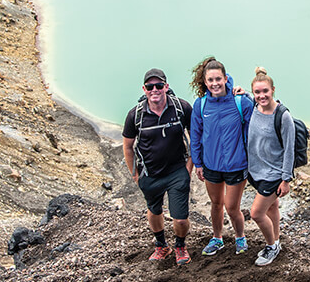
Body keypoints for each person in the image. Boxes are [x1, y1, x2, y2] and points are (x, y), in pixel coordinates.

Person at [122, 69, 193, 266]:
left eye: (159, 86)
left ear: (166, 87)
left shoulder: (181, 108)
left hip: (177, 171)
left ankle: (180, 245)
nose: (155, 90)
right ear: (144, 89)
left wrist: (189, 167)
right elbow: (127, 146)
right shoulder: (135, 115)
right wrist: (135, 174)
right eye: (150, 87)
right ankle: (161, 245)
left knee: (180, 219)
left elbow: (195, 136)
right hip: (150, 173)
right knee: (154, 211)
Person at [190, 57, 254, 256]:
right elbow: (195, 135)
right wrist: (198, 163)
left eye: (218, 79)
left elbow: (257, 127)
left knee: (231, 206)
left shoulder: (240, 102)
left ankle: (240, 237)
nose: (215, 83)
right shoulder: (200, 105)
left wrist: (250, 95)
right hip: (211, 165)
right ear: (205, 82)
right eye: (210, 80)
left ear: (226, 78)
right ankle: (217, 238)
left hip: (236, 164)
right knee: (216, 204)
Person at [247, 67, 294, 266]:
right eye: (257, 92)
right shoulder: (252, 107)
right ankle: (277, 241)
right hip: (256, 171)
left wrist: (286, 179)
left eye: (265, 91)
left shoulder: (283, 116)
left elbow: (289, 150)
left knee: (256, 213)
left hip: (274, 174)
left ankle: (271, 246)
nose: (261, 95)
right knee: (272, 208)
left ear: (273, 89)